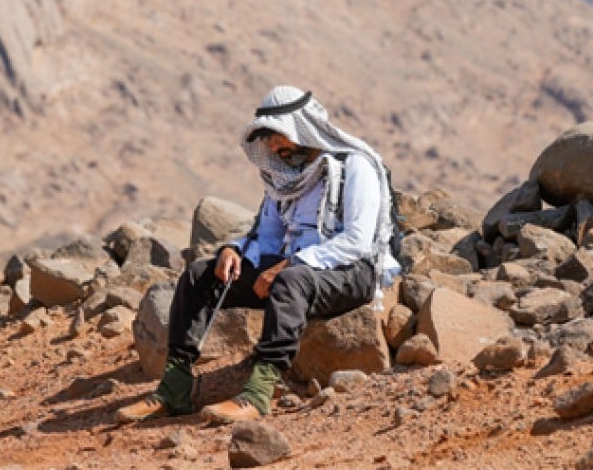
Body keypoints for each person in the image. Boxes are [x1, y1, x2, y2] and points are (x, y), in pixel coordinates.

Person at [116, 85, 400, 424]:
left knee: (290, 280)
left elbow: (357, 241)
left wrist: (289, 264)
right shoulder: (285, 179)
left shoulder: (354, 167)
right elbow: (267, 237)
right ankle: (174, 389)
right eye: (268, 139)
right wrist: (234, 250)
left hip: (352, 271)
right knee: (200, 275)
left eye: (280, 136)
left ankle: (257, 394)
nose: (274, 146)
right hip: (297, 272)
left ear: (302, 128)